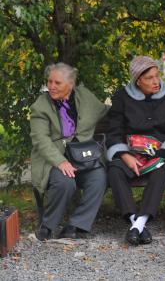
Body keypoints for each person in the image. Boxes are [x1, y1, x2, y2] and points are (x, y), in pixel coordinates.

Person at [106, 56, 165, 245]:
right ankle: (135, 221)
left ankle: (138, 224)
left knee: (160, 172)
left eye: (157, 76)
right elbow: (114, 132)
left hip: (163, 152)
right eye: (149, 78)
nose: (156, 81)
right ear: (138, 80)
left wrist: (161, 155)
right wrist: (125, 155)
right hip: (132, 152)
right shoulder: (122, 97)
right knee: (115, 171)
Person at [31, 63, 109, 241]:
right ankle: (48, 226)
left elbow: (105, 111)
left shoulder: (84, 97)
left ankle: (76, 225)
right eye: (49, 81)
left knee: (98, 178)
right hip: (54, 159)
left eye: (57, 82)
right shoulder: (40, 106)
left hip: (83, 156)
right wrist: (60, 162)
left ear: (71, 84)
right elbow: (40, 139)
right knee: (65, 182)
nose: (51, 86)